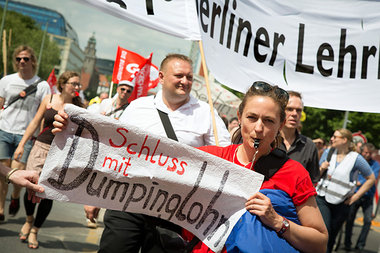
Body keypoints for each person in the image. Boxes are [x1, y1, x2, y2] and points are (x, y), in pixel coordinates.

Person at [53, 53, 231, 252]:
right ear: (161, 77)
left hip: (173, 210)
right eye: (179, 75)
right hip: (126, 200)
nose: (185, 81)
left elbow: (225, 157)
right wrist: (94, 197)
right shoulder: (137, 107)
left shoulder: (206, 113)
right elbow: (113, 152)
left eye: (189, 77)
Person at [182, 81, 328, 253]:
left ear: (280, 125)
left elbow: (320, 243)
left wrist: (277, 221)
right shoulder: (210, 157)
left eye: (268, 121)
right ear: (239, 117)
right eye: (252, 118)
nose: (258, 128)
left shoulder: (294, 173)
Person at [14, 71, 83, 249]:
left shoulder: (78, 106)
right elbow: (35, 122)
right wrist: (21, 145)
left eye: (78, 85)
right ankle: (29, 220)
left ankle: (36, 229)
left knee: (47, 193)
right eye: (74, 84)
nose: (77, 87)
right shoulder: (49, 99)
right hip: (40, 148)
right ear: (63, 84)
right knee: (30, 187)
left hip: (60, 154)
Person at [0, 45, 50, 221]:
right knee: (3, 171)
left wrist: (42, 140)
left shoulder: (43, 86)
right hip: (4, 130)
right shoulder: (6, 81)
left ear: (32, 61)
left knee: (17, 170)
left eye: (26, 58)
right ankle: (0, 209)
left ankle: (14, 196)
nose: (22, 61)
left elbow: (43, 115)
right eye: (18, 58)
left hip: (26, 135)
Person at [316, 129, 376, 253]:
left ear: (344, 140)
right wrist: (322, 168)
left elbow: (371, 179)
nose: (332, 139)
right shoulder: (328, 152)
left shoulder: (356, 158)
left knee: (332, 235)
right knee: (325, 231)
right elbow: (316, 175)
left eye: (335, 137)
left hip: (342, 203)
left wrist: (355, 197)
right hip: (322, 198)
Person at [85, 80, 134, 228]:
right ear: (117, 89)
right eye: (122, 89)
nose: (124, 92)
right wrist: (100, 117)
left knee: (105, 180)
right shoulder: (105, 103)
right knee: (94, 177)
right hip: (100, 146)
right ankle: (90, 210)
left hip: (117, 150)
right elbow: (90, 120)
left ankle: (95, 211)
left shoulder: (130, 109)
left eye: (128, 91)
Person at [344, 143, 380, 252]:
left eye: (369, 153)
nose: (367, 155)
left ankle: (360, 244)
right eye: (365, 152)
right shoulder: (357, 161)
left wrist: (362, 182)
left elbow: (372, 177)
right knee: (349, 219)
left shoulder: (375, 164)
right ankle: (347, 243)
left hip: (367, 196)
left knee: (368, 221)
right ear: (362, 151)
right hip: (355, 194)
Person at [279, 91, 320, 184]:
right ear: (280, 111)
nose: (294, 114)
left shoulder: (309, 146)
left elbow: (312, 182)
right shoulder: (267, 139)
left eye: (298, 110)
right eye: (289, 109)